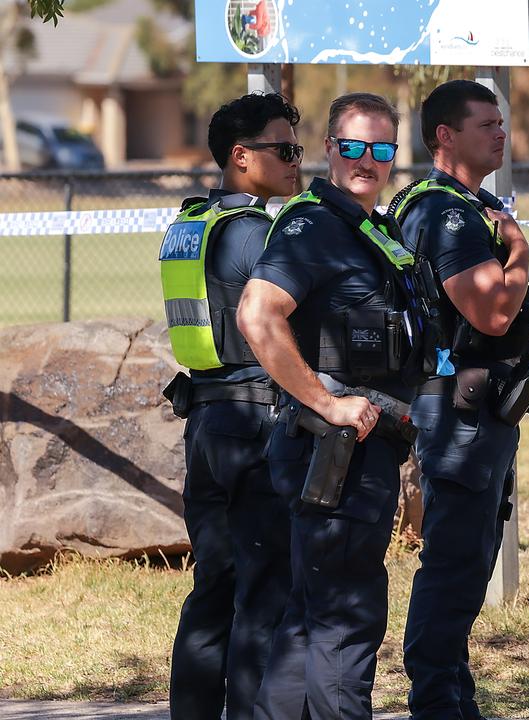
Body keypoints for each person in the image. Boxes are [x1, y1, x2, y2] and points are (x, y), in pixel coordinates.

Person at [238, 92, 430, 719]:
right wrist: (329, 403)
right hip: (337, 452)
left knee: (310, 619)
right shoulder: (314, 223)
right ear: (329, 150)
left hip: (367, 450)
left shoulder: (374, 227)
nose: (366, 160)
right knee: (345, 624)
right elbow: (258, 314)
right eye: (352, 146)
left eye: (380, 149)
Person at [391, 79, 529, 720]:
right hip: (456, 412)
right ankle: (435, 702)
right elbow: (489, 311)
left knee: (469, 559)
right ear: (445, 137)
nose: (501, 133)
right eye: (486, 124)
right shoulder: (448, 211)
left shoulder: (462, 203)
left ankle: (453, 699)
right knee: (456, 564)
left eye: (501, 122)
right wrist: (519, 250)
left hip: (472, 408)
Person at [160, 91, 301, 720]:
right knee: (263, 589)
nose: (297, 161)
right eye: (284, 149)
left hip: (206, 422)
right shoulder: (250, 234)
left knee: (212, 588)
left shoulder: (190, 225)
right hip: (254, 421)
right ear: (241, 156)